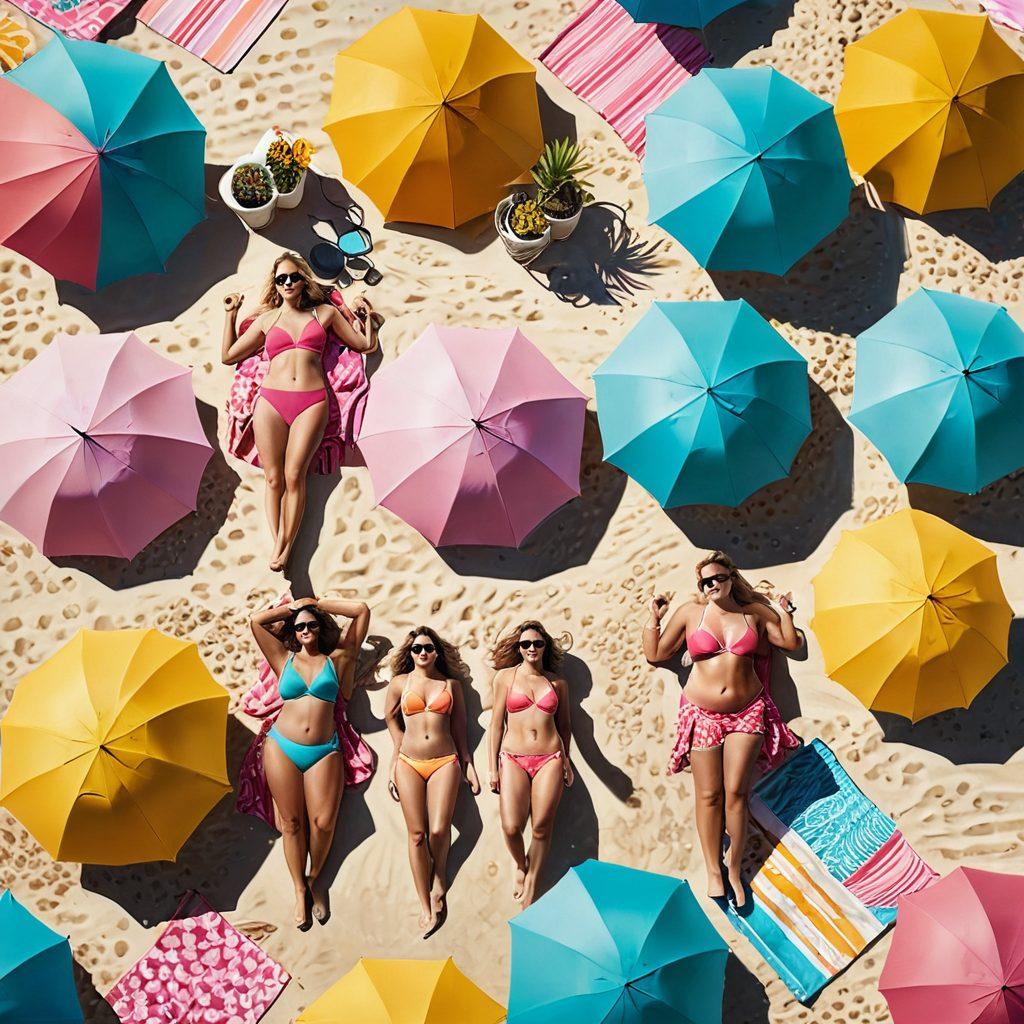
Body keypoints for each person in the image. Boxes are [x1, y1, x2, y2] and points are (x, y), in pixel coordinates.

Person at [643, 551, 801, 907]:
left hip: (747, 712)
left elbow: (789, 643)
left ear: (731, 577)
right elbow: (655, 654)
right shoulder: (690, 614)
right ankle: (713, 870)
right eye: (704, 582)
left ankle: (733, 869)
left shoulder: (753, 614)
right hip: (703, 714)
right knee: (709, 795)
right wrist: (653, 618)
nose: (711, 585)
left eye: (716, 578)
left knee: (737, 794)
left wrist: (786, 613)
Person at [222, 252, 382, 572]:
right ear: (276, 285)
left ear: (303, 280)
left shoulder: (324, 313)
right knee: (272, 478)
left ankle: (285, 547)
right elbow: (228, 356)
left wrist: (367, 320)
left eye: (293, 277)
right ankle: (278, 545)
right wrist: (231, 314)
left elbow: (363, 346)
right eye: (281, 279)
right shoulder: (267, 321)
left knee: (295, 475)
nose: (288, 283)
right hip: (270, 401)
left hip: (311, 401)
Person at [249, 594, 371, 929]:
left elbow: (361, 610)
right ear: (293, 630)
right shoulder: (283, 659)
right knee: (290, 823)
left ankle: (316, 879)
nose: (305, 629)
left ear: (319, 627)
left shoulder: (339, 658)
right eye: (300, 625)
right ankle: (299, 889)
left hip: (324, 750)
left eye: (311, 624)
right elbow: (256, 622)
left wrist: (316, 603)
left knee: (323, 823)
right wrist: (292, 609)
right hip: (282, 747)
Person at [384, 628, 480, 937]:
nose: (422, 653)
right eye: (416, 649)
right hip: (409, 762)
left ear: (437, 651)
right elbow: (390, 718)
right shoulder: (401, 683)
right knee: (416, 835)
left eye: (427, 648)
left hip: (444, 761)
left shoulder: (451, 685)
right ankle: (425, 905)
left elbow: (460, 726)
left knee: (439, 829)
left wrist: (468, 763)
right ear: (409, 653)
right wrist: (395, 756)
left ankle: (439, 877)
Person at [487, 620, 573, 908]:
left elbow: (565, 727)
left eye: (537, 643)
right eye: (526, 644)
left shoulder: (557, 683)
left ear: (545, 646)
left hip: (550, 757)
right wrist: (491, 767)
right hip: (512, 757)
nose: (532, 648)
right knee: (511, 826)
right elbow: (496, 725)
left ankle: (532, 882)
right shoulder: (505, 678)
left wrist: (568, 762)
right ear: (519, 648)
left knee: (540, 828)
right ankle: (520, 864)